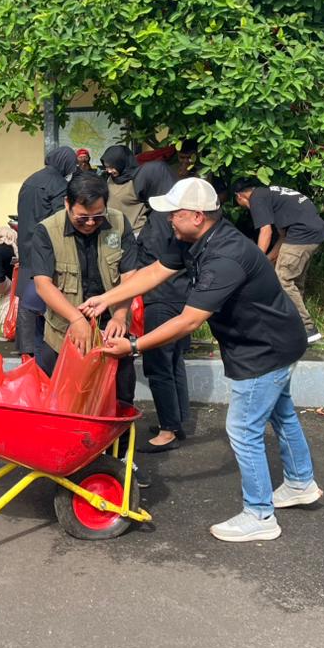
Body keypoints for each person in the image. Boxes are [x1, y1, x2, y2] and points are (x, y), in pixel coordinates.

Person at [80, 177, 321, 543]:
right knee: (281, 413)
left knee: (243, 430)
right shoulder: (191, 239)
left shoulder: (225, 256)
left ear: (196, 216)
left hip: (264, 348)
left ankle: (259, 515)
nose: (168, 219)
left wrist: (134, 346)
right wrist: (106, 299)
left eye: (174, 213)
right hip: (273, 339)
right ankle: (301, 483)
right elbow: (154, 272)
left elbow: (188, 321)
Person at [30, 171, 140, 409]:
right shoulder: (47, 231)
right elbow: (43, 284)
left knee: (119, 400)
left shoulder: (119, 223)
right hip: (63, 332)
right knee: (62, 403)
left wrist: (121, 315)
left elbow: (130, 277)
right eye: (82, 218)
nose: (90, 223)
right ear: (67, 204)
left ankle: (117, 435)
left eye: (98, 217)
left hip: (112, 329)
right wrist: (76, 319)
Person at [133, 161, 193, 453]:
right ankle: (178, 422)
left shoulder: (160, 218)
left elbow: (154, 261)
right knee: (174, 360)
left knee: (158, 365)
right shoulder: (180, 212)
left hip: (161, 297)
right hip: (182, 296)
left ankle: (167, 431)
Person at [231, 178, 324, 344]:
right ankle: (294, 326)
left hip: (302, 235)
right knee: (294, 282)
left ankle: (307, 329)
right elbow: (283, 237)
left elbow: (266, 231)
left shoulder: (256, 198)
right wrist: (267, 259)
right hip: (314, 234)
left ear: (239, 196)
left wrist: (256, 260)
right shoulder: (271, 195)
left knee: (283, 279)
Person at [15, 147, 79, 356]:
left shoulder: (30, 180)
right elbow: (60, 219)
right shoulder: (59, 185)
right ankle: (44, 344)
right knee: (45, 292)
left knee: (26, 293)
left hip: (26, 241)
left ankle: (25, 346)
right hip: (46, 244)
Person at [101, 145, 147, 231]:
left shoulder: (138, 180)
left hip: (135, 232)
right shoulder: (110, 179)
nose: (109, 171)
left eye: (112, 167)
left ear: (121, 163)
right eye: (106, 167)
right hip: (115, 230)